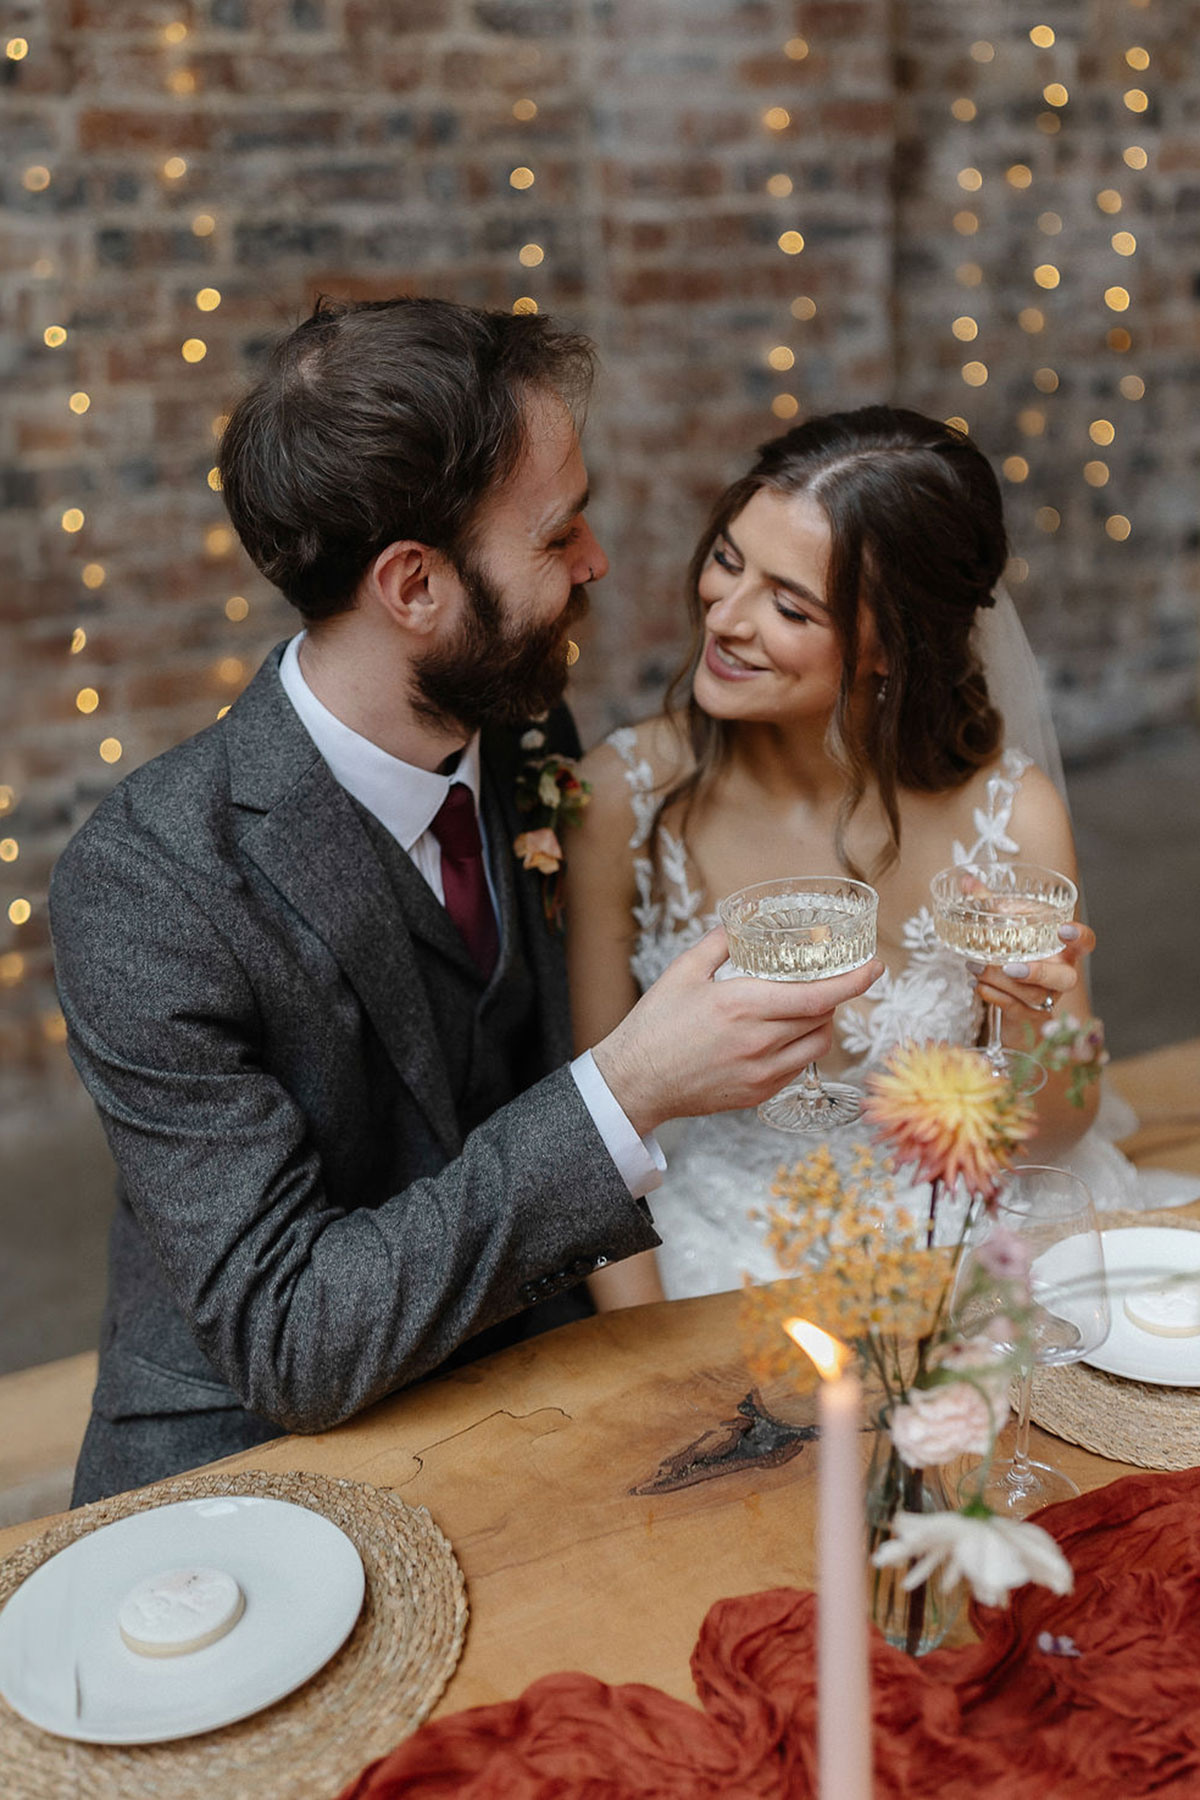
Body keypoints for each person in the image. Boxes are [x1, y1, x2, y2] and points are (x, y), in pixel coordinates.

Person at [49, 298, 881, 1504]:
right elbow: (293, 1340)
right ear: (413, 585)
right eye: (556, 537)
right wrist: (632, 1086)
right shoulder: (147, 886)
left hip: (538, 1360)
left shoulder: (524, 717)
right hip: (257, 1450)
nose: (597, 559)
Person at [567, 404, 1123, 1309]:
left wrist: (1019, 1022)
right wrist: (641, 1353)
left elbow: (1051, 1138)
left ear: (890, 647)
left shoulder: (1011, 816)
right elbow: (592, 1136)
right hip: (711, 1263)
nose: (726, 616)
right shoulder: (621, 799)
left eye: (788, 605)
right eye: (727, 561)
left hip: (963, 1245)